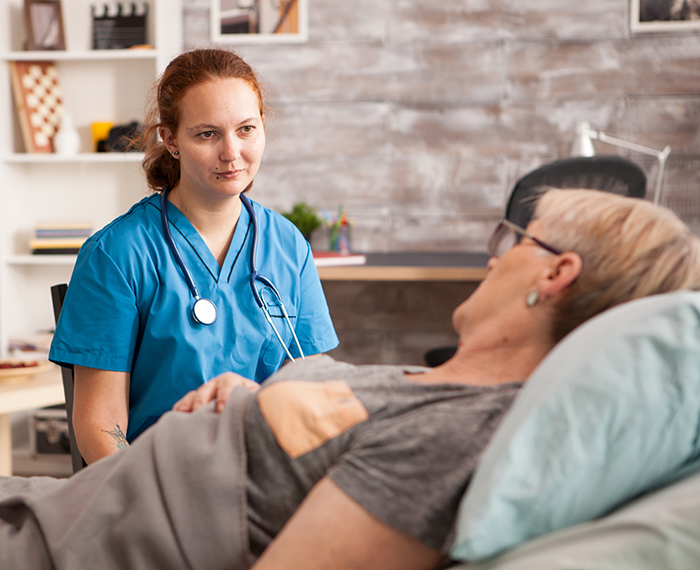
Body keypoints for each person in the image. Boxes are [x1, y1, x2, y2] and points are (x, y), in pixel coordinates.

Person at [6, 189, 700, 570]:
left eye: (517, 241)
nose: (494, 259)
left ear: (554, 274)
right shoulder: (441, 391)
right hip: (77, 500)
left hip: (86, 537)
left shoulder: (451, 436)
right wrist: (262, 401)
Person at [48, 49, 339, 465]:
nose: (231, 153)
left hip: (266, 477)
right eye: (207, 134)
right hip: (158, 482)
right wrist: (151, 501)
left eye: (246, 129)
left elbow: (313, 390)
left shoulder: (288, 245)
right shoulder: (117, 254)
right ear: (170, 140)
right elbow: (100, 421)